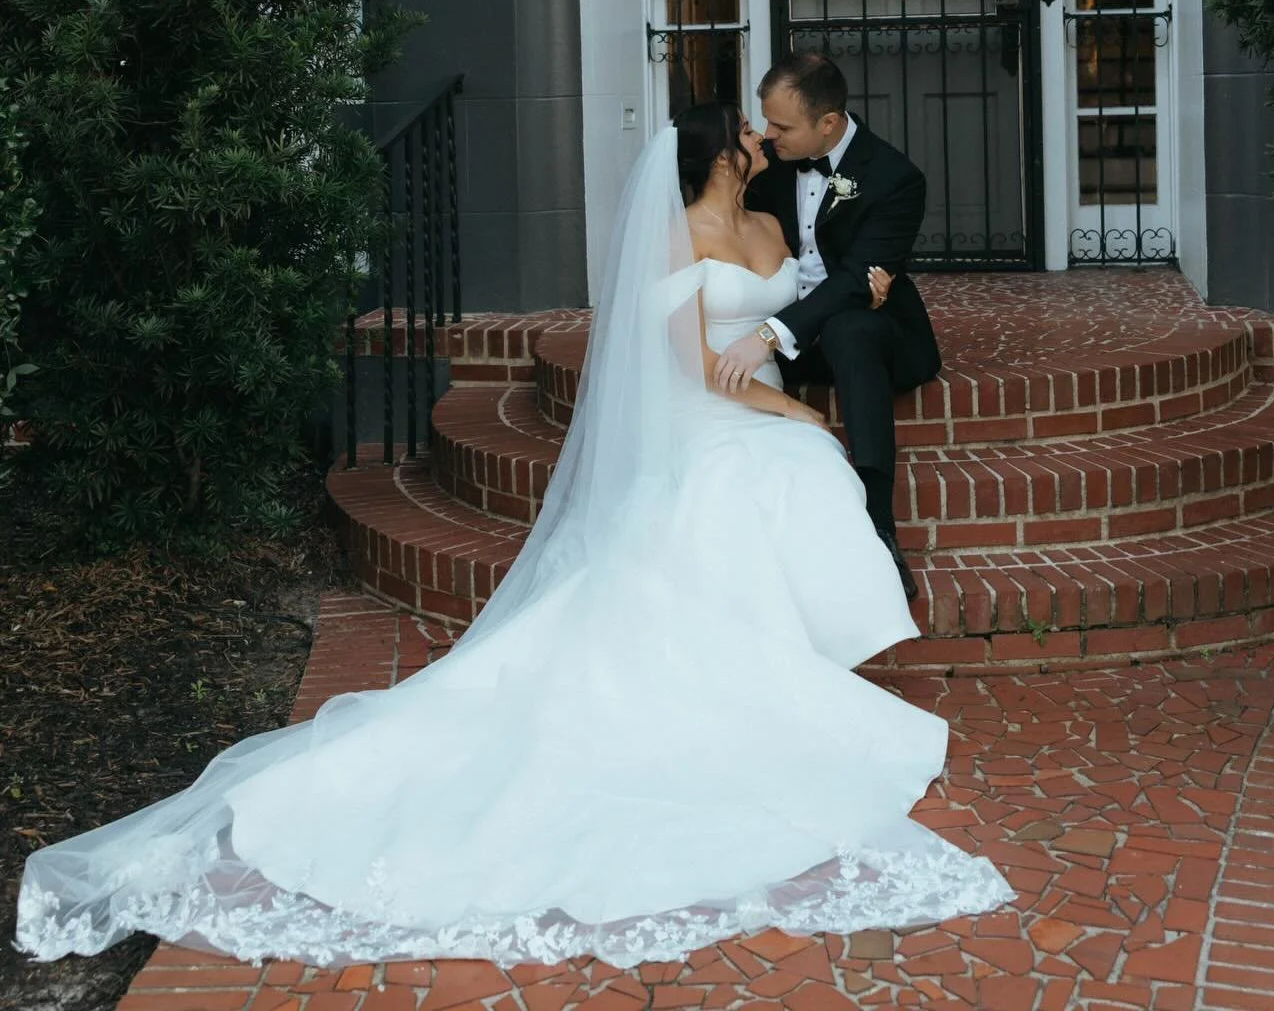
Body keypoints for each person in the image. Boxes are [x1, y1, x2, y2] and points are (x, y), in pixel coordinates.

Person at [15, 108, 1011, 970]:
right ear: (718, 160)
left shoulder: (764, 211)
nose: (761, 136)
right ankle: (772, 676)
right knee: (784, 474)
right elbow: (696, 364)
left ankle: (797, 652)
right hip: (714, 419)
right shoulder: (671, 246)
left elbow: (808, 289)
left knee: (799, 476)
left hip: (750, 408)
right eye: (745, 132)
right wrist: (792, 415)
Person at [718, 53, 942, 599]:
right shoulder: (767, 163)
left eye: (782, 126)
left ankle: (878, 526)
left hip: (869, 333)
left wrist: (768, 334)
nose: (768, 135)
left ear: (829, 123)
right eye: (764, 122)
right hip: (789, 335)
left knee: (851, 324)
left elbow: (851, 282)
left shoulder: (895, 178)